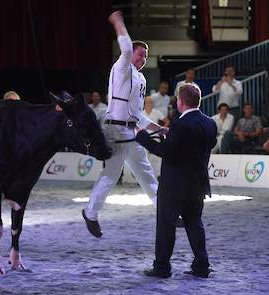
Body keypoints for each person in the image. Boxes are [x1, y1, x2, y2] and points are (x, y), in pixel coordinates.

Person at [82, 10, 167, 238]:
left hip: (131, 130)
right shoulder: (122, 67)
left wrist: (158, 128)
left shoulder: (140, 78)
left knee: (146, 173)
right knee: (111, 174)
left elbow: (138, 114)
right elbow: (127, 48)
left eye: (146, 57)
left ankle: (164, 212)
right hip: (114, 129)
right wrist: (118, 22)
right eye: (141, 55)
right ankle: (90, 214)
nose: (143, 59)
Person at [136, 84, 217, 279]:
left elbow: (167, 153)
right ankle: (201, 265)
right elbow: (202, 146)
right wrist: (170, 136)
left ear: (180, 102)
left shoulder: (180, 125)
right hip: (197, 184)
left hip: (174, 187)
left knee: (166, 225)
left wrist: (142, 137)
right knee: (194, 223)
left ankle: (162, 267)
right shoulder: (210, 123)